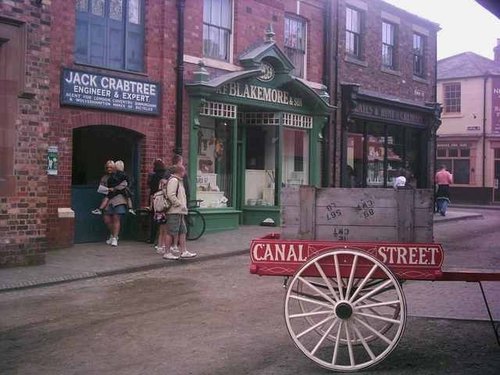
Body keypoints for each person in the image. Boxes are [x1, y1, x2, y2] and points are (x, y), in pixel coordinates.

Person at [161, 164, 196, 260]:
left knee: (182, 231)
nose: (184, 173)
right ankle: (167, 252)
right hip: (174, 211)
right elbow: (171, 195)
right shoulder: (174, 180)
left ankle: (184, 251)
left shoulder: (178, 181)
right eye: (184, 171)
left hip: (179, 211)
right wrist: (179, 204)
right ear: (180, 172)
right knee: (171, 232)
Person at [100, 161, 129, 246]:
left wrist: (115, 189)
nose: (109, 169)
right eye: (108, 167)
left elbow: (125, 185)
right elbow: (101, 188)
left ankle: (115, 238)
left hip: (118, 199)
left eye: (111, 167)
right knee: (107, 220)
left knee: (116, 218)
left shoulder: (119, 176)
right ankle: (112, 234)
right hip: (107, 199)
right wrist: (107, 190)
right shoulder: (104, 178)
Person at [147, 158, 170, 244]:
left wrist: (150, 204)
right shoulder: (166, 175)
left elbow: (151, 189)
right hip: (164, 200)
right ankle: (162, 240)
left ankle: (152, 238)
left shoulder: (153, 176)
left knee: (153, 218)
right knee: (164, 220)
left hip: (155, 199)